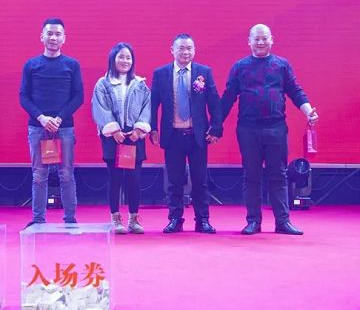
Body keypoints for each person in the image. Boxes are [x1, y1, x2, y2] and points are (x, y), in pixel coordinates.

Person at [221, 24, 318, 235]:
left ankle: (282, 221)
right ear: (249, 42)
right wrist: (215, 124)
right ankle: (253, 221)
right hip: (248, 129)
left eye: (264, 38)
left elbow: (295, 91)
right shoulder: (240, 67)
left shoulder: (282, 65)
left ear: (272, 40)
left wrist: (308, 111)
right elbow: (228, 97)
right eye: (256, 39)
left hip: (276, 128)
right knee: (251, 175)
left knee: (279, 175)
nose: (260, 42)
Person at [150, 34, 223, 234]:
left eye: (189, 48)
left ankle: (203, 220)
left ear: (194, 50)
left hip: (197, 136)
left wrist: (216, 128)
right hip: (173, 135)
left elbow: (214, 102)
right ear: (172, 50)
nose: (185, 52)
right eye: (181, 48)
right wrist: (153, 128)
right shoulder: (161, 73)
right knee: (174, 181)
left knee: (200, 180)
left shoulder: (203, 72)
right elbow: (153, 103)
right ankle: (175, 219)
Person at [19, 18, 83, 226]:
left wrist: (59, 118)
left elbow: (78, 97)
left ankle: (70, 220)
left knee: (66, 174)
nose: (53, 37)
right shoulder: (31, 65)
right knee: (39, 174)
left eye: (57, 34)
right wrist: (42, 118)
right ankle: (38, 220)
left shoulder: (72, 65)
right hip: (37, 128)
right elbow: (23, 96)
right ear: (42, 37)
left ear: (64, 38)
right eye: (49, 33)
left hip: (64, 128)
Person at [92, 42, 152, 234]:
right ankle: (116, 218)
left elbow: (147, 108)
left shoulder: (140, 85)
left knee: (134, 179)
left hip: (134, 137)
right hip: (113, 137)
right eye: (121, 57)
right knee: (115, 179)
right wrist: (114, 130)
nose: (125, 61)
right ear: (113, 59)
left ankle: (133, 219)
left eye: (128, 57)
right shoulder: (103, 84)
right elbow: (100, 108)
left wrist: (139, 130)